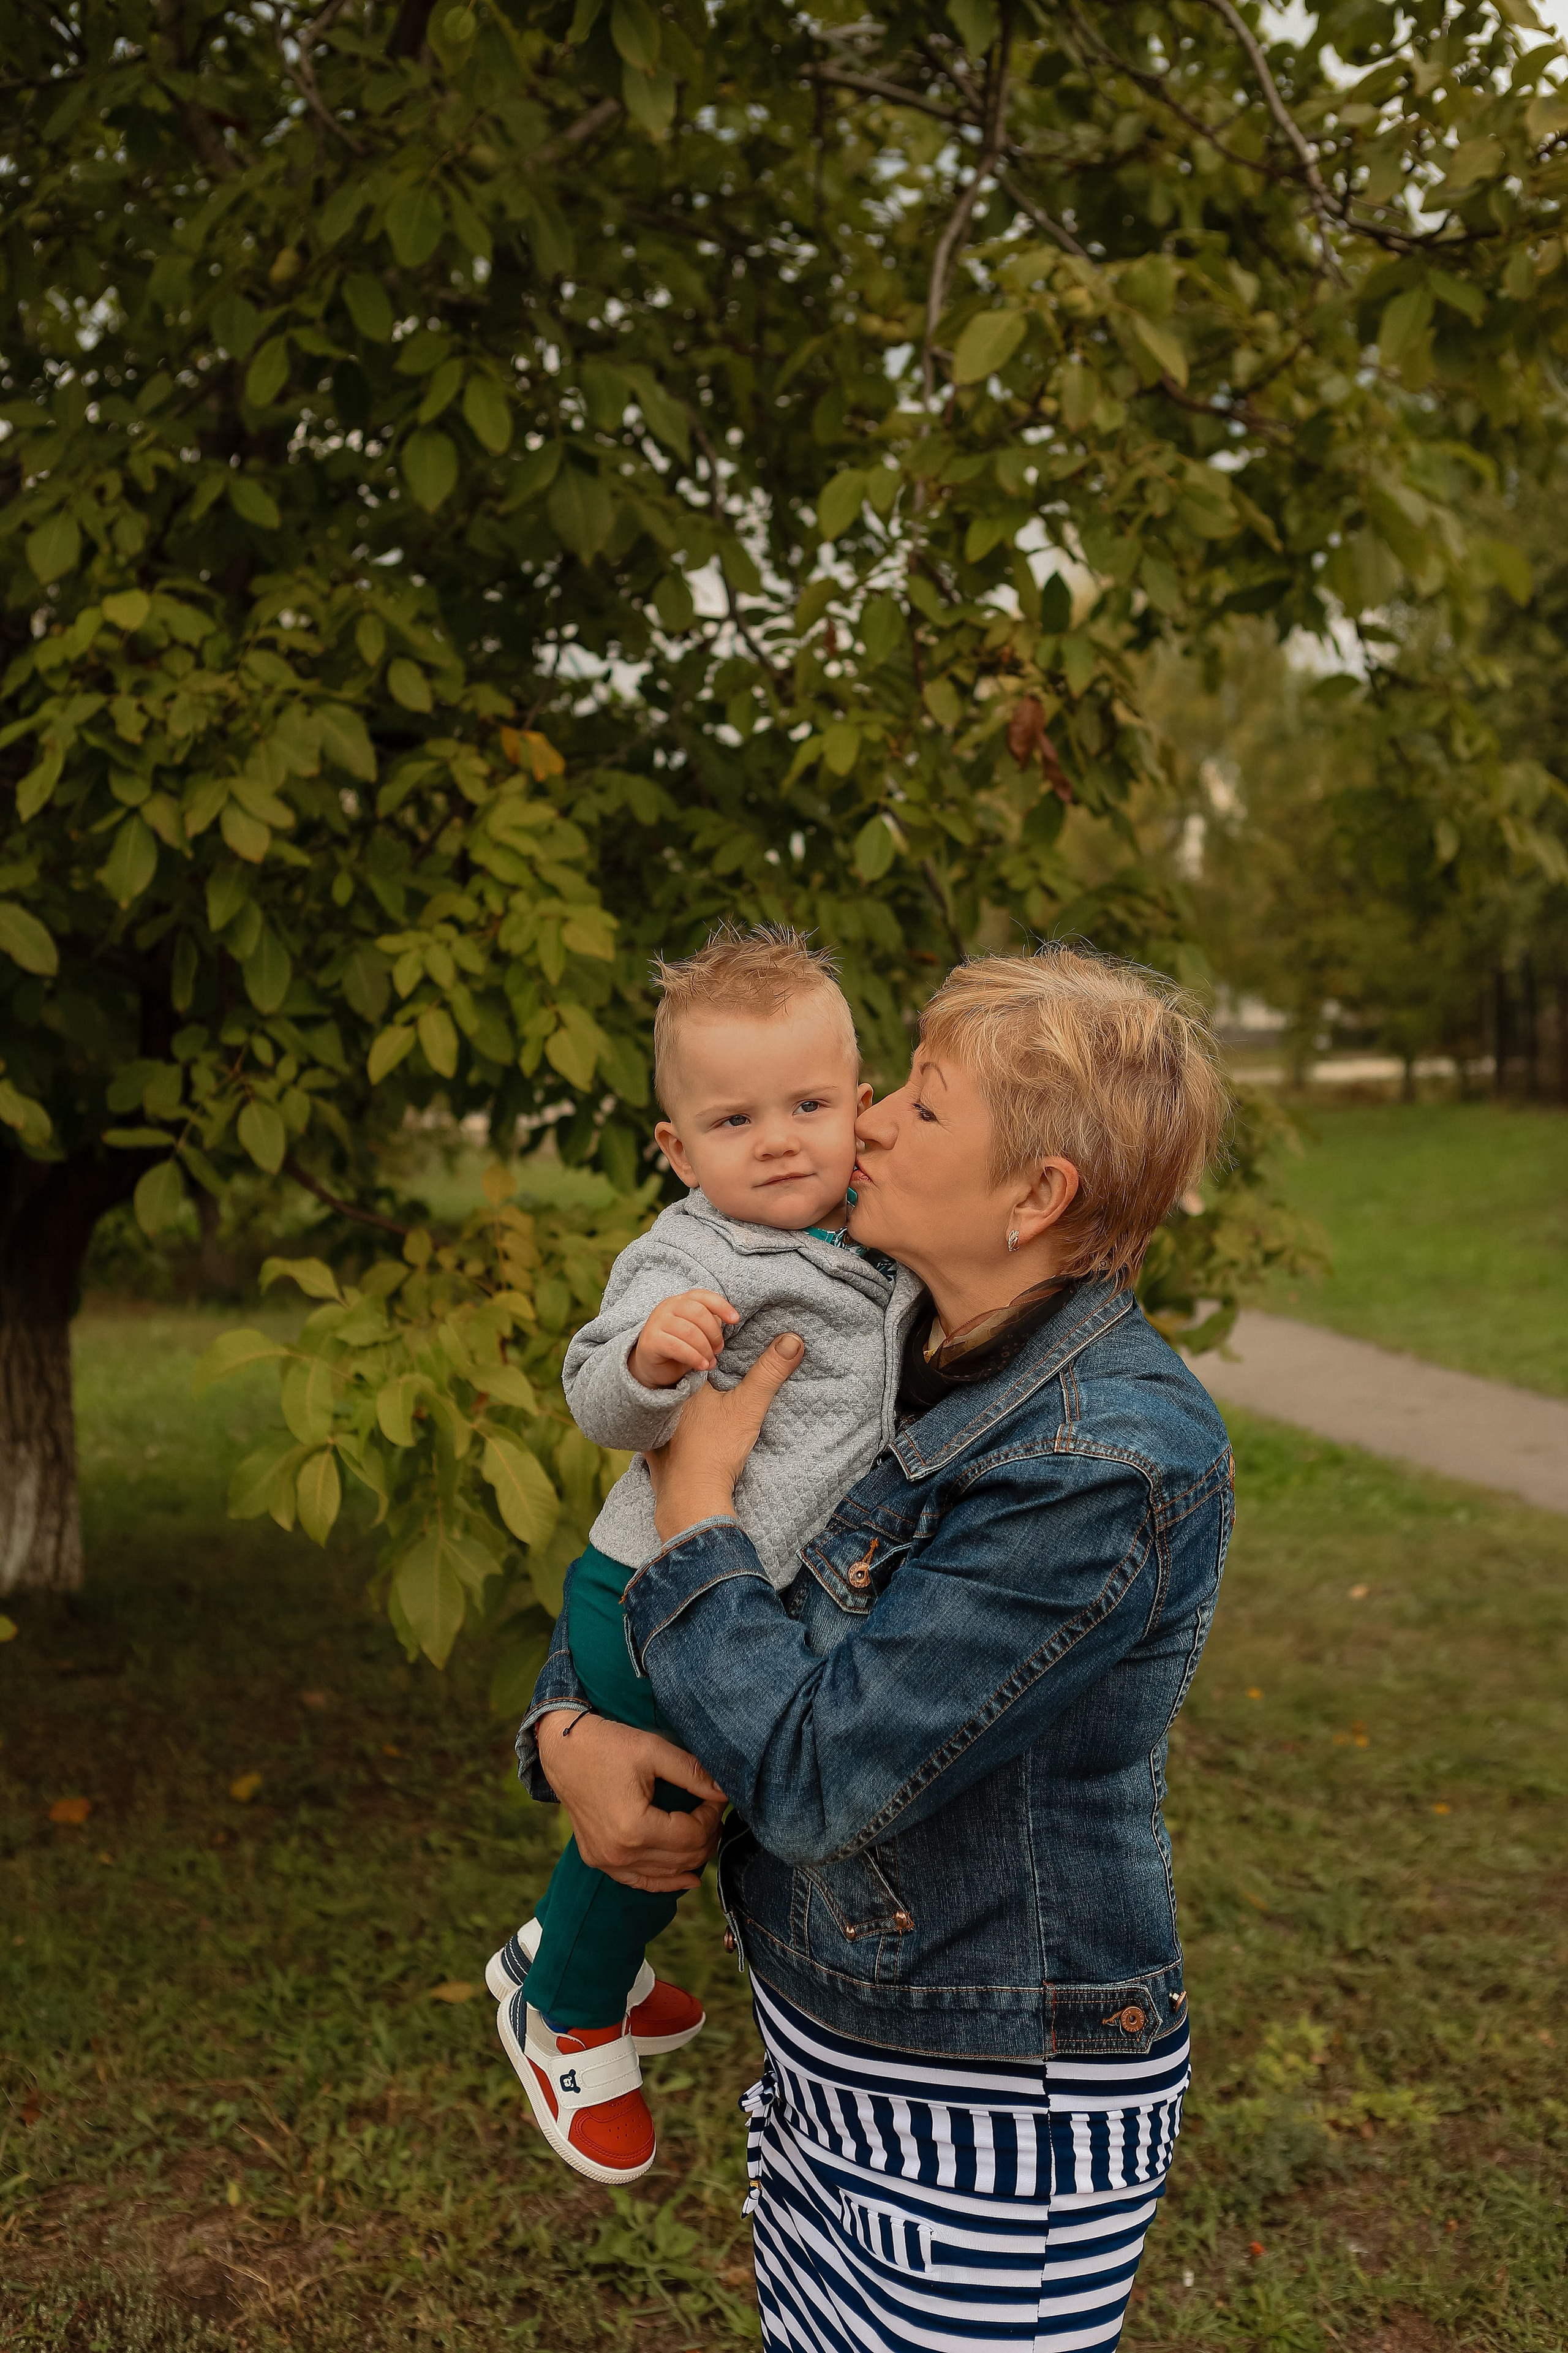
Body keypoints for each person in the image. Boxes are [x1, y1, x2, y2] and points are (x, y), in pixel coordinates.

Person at [519, 945, 1235, 2353]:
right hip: (826, 2047)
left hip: (981, 2103)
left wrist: (700, 1507)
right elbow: (712, 1588)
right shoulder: (901, 1338)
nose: (866, 1119)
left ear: (1034, 1196)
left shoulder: (1098, 1458)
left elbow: (820, 1769)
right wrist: (566, 1732)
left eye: (920, 1100)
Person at [488, 927, 924, 2185]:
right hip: (646, 1593)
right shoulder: (690, 1256)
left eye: (808, 1104)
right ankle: (561, 2011)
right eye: (733, 1120)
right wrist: (648, 1360)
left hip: (745, 1593)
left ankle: (580, 1962)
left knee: (701, 1790)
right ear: (677, 1152)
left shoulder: (871, 1235)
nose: (780, 1139)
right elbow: (592, 1393)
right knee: (660, 1804)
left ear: (863, 1107)